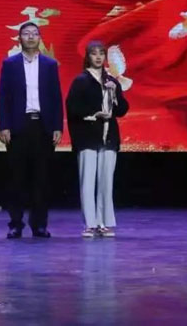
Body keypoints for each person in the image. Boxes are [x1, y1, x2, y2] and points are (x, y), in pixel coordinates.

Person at [0, 22, 63, 239]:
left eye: (35, 33)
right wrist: (4, 125)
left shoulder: (50, 64)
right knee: (16, 178)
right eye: (26, 34)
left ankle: (39, 225)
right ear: (20, 38)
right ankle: (15, 224)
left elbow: (56, 97)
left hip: (42, 126)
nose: (31, 37)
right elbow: (3, 97)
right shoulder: (10, 64)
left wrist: (57, 126)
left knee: (41, 179)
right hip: (18, 126)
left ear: (40, 38)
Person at [66, 41, 129, 237]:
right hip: (87, 136)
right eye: (94, 53)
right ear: (88, 57)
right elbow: (73, 108)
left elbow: (122, 109)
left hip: (108, 136)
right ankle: (90, 223)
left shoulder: (111, 81)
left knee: (106, 181)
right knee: (87, 181)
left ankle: (104, 222)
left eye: (101, 53)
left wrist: (115, 93)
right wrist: (93, 114)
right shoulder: (81, 81)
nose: (99, 57)